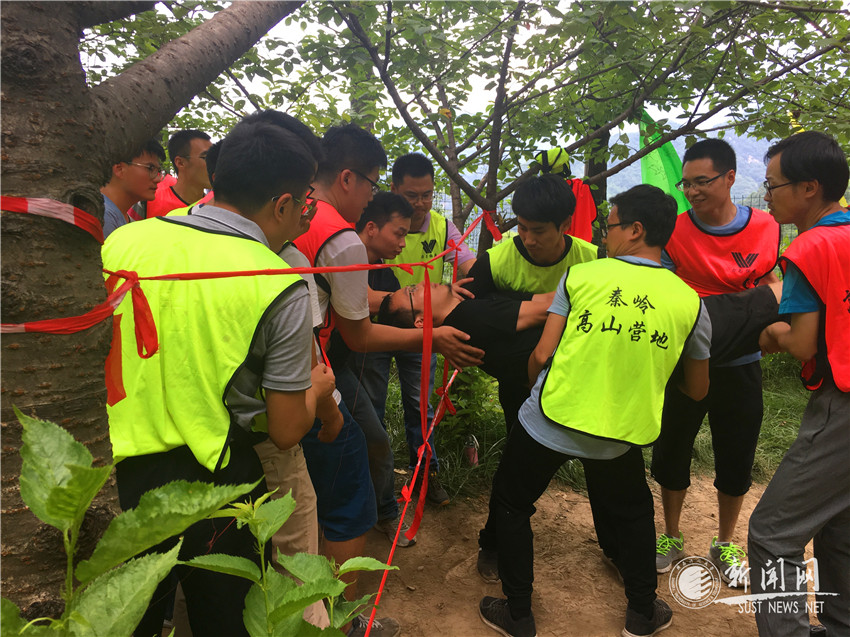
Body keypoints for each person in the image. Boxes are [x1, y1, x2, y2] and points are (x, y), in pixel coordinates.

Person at [102, 119, 336, 636]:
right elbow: (285, 429)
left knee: (128, 619)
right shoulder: (279, 281)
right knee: (226, 619)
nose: (305, 213)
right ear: (283, 204)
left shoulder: (124, 240)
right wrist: (317, 391)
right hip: (216, 480)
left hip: (114, 467)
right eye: (304, 202)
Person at [474, 185, 709, 637]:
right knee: (634, 513)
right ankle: (642, 612)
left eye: (611, 225)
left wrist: (532, 388)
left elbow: (542, 354)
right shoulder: (690, 301)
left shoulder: (581, 277)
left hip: (550, 417)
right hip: (618, 433)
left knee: (512, 502)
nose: (605, 234)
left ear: (636, 230)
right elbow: (698, 389)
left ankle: (518, 614)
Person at [294, 124, 483, 637]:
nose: (404, 232)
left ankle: (306, 608)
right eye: (374, 185)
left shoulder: (296, 218)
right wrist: (431, 336)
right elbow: (358, 334)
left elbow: (345, 298)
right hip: (313, 373)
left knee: (304, 495)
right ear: (348, 178)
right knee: (349, 481)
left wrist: (413, 306)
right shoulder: (340, 237)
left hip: (291, 372)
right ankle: (342, 618)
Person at [651, 139, 781, 585]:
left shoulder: (766, 227)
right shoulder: (674, 231)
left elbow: (770, 281)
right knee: (672, 447)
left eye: (701, 182)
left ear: (729, 178)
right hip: (686, 359)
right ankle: (670, 535)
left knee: (737, 452)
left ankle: (725, 542)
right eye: (686, 184)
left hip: (742, 360)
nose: (692, 191)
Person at [749, 131, 850, 637]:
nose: (767, 195)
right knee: (841, 528)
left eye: (773, 185)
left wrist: (769, 334)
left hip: (843, 405)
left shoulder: (811, 247)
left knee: (772, 533)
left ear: (809, 188)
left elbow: (804, 343)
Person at [361, 152, 477, 507]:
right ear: (394, 189)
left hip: (424, 331)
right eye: (412, 195)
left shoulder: (442, 227)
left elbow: (469, 264)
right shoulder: (375, 223)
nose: (421, 203)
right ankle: (378, 493)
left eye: (427, 194)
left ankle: (427, 477)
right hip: (375, 329)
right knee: (372, 409)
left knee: (421, 407)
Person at [465, 173, 598, 435]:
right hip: (515, 377)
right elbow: (467, 310)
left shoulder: (591, 261)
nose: (528, 239)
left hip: (574, 373)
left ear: (565, 224)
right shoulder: (495, 261)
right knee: (517, 433)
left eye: (538, 231)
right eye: (522, 227)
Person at [350, 191, 418, 546]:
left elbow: (392, 312)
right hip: (329, 366)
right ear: (372, 228)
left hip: (351, 366)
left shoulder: (385, 273)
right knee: (368, 439)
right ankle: (375, 512)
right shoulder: (345, 259)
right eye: (399, 233)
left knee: (372, 436)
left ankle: (383, 512)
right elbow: (361, 298)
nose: (402, 243)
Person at [140, 129, 213, 218]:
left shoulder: (215, 208)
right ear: (180, 163)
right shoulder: (149, 201)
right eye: (206, 157)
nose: (215, 164)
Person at [101, 139, 165, 237]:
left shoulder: (118, 217)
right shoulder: (102, 217)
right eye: (150, 168)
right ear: (120, 169)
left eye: (158, 171)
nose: (158, 179)